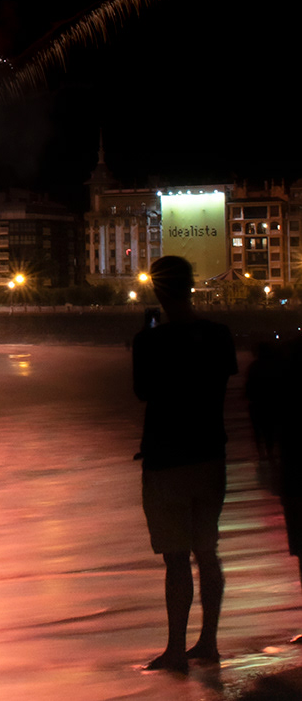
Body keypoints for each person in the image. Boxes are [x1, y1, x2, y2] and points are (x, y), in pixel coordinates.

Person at [132, 254, 238, 674]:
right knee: (206, 551)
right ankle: (208, 642)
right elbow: (219, 383)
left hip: (164, 458)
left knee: (176, 558)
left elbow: (143, 392)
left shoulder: (149, 342)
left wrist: (149, 341)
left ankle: (176, 648)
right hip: (210, 453)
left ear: (157, 290)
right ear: (191, 286)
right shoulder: (219, 335)